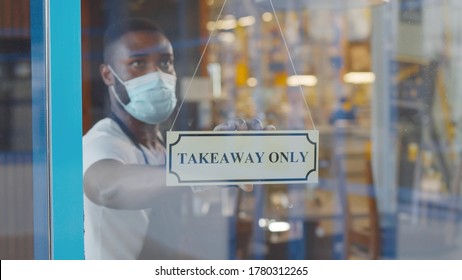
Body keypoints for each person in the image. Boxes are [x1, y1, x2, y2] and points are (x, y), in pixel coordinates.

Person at [83, 18, 270, 260]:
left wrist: (220, 153)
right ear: (108, 75)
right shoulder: (101, 143)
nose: (157, 74)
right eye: (138, 63)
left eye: (165, 62)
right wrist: (205, 164)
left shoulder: (162, 150)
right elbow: (108, 188)